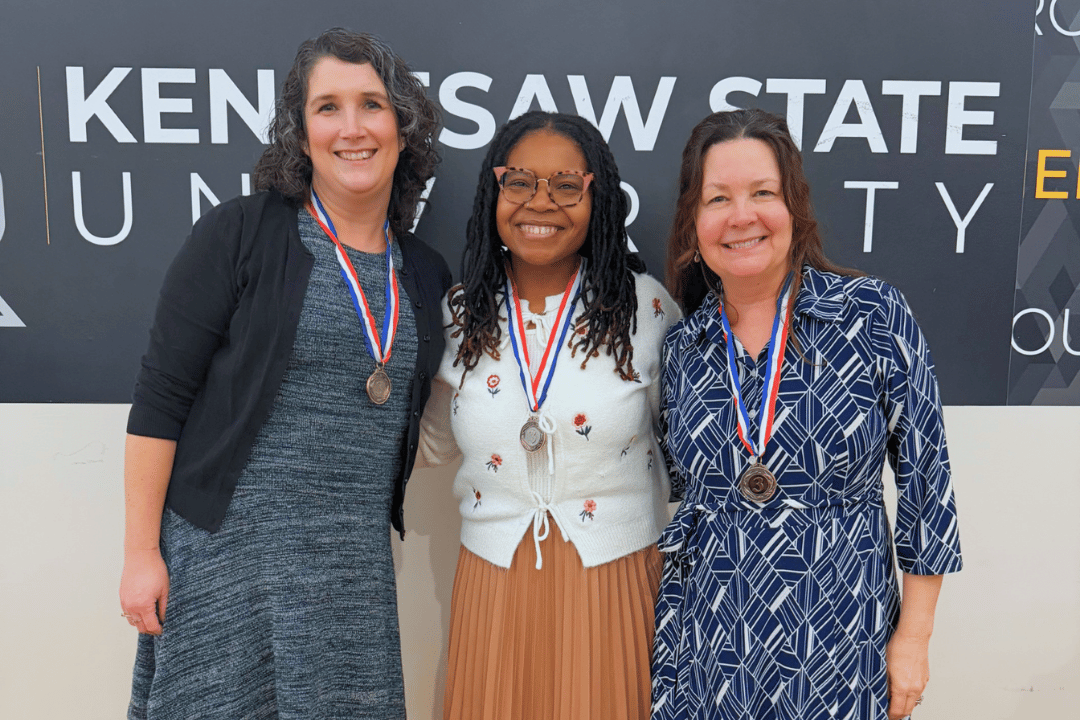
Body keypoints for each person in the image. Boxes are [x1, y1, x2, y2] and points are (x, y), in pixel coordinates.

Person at [118, 28, 450, 719]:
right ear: (299, 133)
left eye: (372, 105)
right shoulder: (241, 233)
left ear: (404, 126)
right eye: (328, 107)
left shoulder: (424, 272)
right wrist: (141, 553)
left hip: (350, 573)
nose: (351, 128)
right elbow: (161, 396)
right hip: (225, 560)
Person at [651, 109, 962, 720]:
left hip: (842, 647)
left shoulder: (870, 316)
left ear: (793, 205)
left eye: (762, 193)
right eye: (718, 198)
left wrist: (914, 640)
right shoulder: (684, 350)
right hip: (712, 650)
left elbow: (928, 489)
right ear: (694, 221)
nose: (742, 216)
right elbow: (686, 490)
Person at [418, 111, 679, 720]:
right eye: (519, 183)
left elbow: (692, 445)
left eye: (566, 185)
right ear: (494, 193)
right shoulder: (458, 318)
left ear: (598, 199)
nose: (541, 203)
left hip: (613, 581)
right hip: (495, 582)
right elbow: (427, 443)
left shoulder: (647, 310)